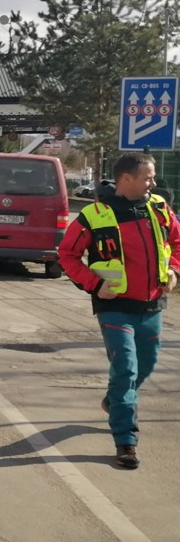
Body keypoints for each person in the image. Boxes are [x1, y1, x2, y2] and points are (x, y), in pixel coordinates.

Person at [58, 152, 180, 469]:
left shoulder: (159, 208)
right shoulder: (94, 215)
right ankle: (126, 441)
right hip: (113, 306)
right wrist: (95, 285)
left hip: (152, 304)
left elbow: (177, 243)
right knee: (126, 367)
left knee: (146, 365)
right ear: (126, 179)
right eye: (147, 178)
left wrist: (174, 270)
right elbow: (67, 255)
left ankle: (114, 400)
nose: (153, 183)